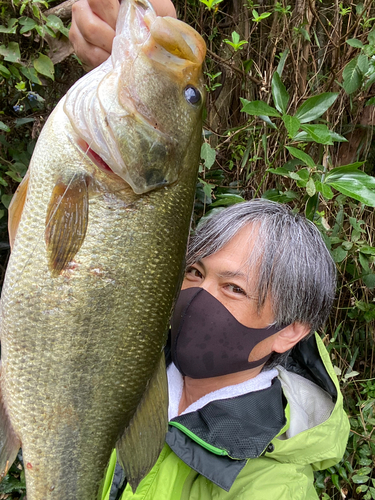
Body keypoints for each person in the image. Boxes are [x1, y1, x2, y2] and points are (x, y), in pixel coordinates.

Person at [69, 5, 350, 499]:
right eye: (195, 273)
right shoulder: (126, 359)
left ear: (290, 330)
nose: (200, 297)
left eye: (234, 287)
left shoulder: (274, 483)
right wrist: (117, 56)